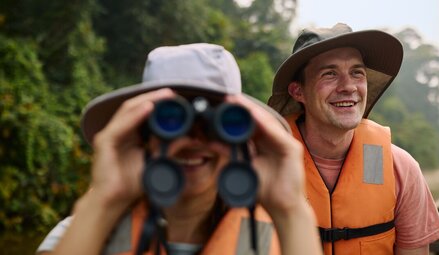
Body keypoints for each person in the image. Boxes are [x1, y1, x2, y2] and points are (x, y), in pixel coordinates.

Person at [36, 43, 322, 255]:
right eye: (170, 120)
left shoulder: (279, 240)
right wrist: (104, 200)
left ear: (242, 136)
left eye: (213, 123)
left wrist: (290, 209)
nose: (193, 139)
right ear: (141, 131)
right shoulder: (83, 233)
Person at [268, 23, 439, 255]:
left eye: (356, 73)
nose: (348, 87)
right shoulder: (265, 165)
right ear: (298, 91)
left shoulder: (401, 168)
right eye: (329, 74)